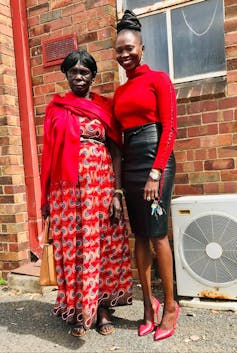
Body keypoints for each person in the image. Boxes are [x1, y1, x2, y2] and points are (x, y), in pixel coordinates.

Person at [40, 48, 132, 337]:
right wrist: (46, 198)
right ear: (66, 75)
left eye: (84, 72)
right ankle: (80, 309)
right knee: (76, 248)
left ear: (93, 76)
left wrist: (117, 191)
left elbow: (116, 150)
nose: (78, 76)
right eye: (73, 71)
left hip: (101, 187)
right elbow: (48, 155)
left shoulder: (104, 106)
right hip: (67, 192)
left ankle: (102, 308)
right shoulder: (56, 108)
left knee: (102, 246)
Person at [113, 10, 179, 341]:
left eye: (130, 48)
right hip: (131, 163)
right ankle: (147, 308)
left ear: (142, 47)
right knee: (139, 235)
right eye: (119, 50)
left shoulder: (159, 80)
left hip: (158, 160)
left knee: (157, 234)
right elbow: (119, 138)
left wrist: (156, 171)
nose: (125, 54)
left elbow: (170, 128)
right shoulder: (120, 93)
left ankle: (170, 305)